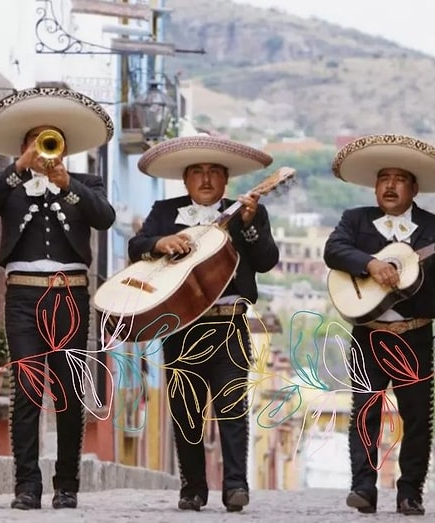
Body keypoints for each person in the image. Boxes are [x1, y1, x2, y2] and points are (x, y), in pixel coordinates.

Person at [0, 86, 116, 511]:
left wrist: (67, 182)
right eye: (36, 142)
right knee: (28, 390)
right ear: (23, 147)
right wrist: (19, 167)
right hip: (22, 298)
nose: (44, 149)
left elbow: (104, 218)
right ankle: (26, 486)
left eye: (50, 141)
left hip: (69, 295)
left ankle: (67, 483)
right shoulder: (11, 185)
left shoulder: (86, 183)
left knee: (70, 392)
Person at [126, 135, 278, 512]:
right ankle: (192, 488)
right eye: (198, 172)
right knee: (185, 407)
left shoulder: (248, 212)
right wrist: (160, 243)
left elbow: (266, 260)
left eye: (214, 172)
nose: (206, 179)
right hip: (180, 325)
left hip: (228, 323)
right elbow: (137, 245)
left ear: (226, 179)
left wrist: (250, 225)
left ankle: (235, 486)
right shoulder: (165, 211)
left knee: (231, 406)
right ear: (185, 179)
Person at [323, 134, 435, 516]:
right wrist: (370, 265)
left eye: (399, 178)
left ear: (414, 187)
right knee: (365, 409)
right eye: (383, 178)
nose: (389, 185)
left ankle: (409, 493)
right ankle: (364, 488)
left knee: (417, 417)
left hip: (414, 334)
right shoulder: (355, 220)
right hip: (368, 333)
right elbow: (333, 250)